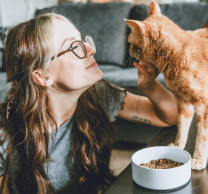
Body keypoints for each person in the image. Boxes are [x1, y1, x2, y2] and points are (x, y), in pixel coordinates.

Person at [0, 13, 178, 194]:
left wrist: (150, 86)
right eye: (73, 47)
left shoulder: (99, 95)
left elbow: (171, 117)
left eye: (82, 39)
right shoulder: (4, 134)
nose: (91, 49)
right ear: (43, 76)